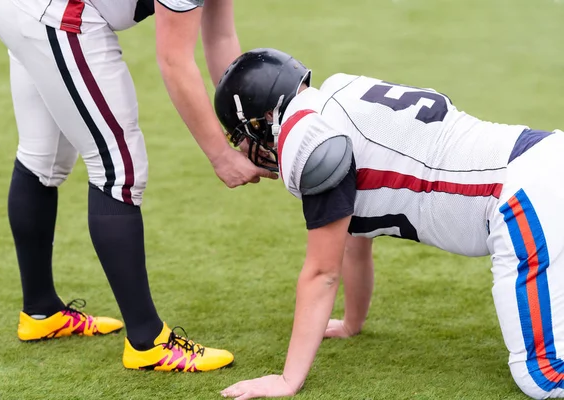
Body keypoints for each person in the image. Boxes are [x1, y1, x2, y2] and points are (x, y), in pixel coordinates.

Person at [214, 48, 564, 399]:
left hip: (523, 198)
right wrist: (352, 323)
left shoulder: (310, 139)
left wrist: (287, 380)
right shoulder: (338, 93)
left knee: (541, 375)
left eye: (242, 136)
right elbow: (353, 239)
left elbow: (322, 272)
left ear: (263, 117)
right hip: (546, 154)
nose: (244, 148)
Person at [0, 0, 276, 372]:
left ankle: (41, 312)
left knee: (41, 157)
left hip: (20, 8)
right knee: (118, 169)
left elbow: (220, 35)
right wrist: (221, 155)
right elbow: (174, 62)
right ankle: (147, 342)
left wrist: (245, 127)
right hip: (55, 11)